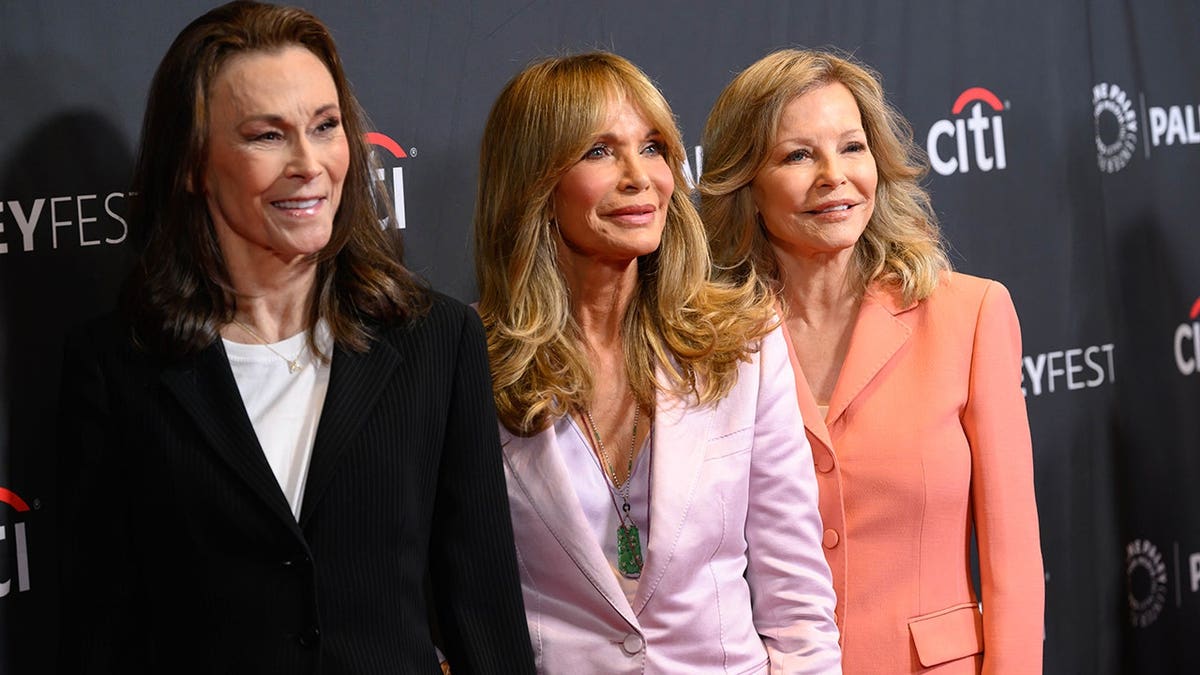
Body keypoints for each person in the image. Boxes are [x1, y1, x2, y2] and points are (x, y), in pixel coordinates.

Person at [55, 2, 534, 673]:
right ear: (192, 163)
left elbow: (484, 617)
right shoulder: (116, 368)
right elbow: (98, 635)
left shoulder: (438, 341)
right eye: (266, 135)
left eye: (325, 126)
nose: (309, 163)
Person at [472, 51, 841, 674]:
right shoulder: (471, 365)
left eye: (652, 148)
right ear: (534, 181)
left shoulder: (743, 341)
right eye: (598, 152)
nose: (638, 176)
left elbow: (796, 595)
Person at [699, 48, 1045, 674]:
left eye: (852, 148)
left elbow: (1014, 565)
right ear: (746, 182)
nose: (834, 175)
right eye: (797, 155)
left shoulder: (970, 315)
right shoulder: (709, 340)